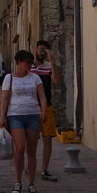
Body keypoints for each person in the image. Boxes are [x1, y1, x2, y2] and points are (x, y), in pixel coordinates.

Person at [0, 49, 49, 193]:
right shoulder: (9, 78)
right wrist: (3, 117)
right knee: (20, 147)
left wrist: (43, 111)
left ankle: (32, 184)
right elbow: (5, 98)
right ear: (19, 62)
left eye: (31, 63)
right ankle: (18, 181)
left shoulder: (35, 78)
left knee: (31, 152)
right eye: (28, 62)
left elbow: (42, 96)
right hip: (15, 115)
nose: (30, 65)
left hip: (33, 115)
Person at [34, 40, 59, 181]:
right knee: (31, 140)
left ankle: (44, 169)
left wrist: (52, 61)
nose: (42, 53)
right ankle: (29, 165)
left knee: (47, 139)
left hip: (47, 107)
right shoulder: (29, 66)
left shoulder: (49, 66)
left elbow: (55, 80)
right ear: (36, 49)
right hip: (32, 107)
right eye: (41, 49)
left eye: (45, 50)